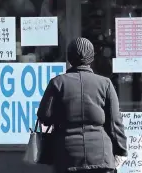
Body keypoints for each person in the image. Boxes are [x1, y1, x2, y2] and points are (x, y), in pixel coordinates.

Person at [37, 37, 128, 173]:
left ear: (69, 58)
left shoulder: (57, 82)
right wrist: (121, 150)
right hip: (101, 155)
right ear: (91, 58)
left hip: (67, 154)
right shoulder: (105, 84)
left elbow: (44, 116)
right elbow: (115, 122)